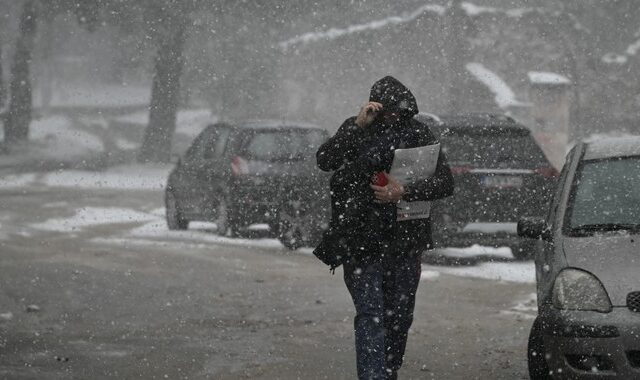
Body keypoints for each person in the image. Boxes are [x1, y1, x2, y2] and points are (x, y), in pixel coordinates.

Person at [315, 76, 454, 379]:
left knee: (399, 319)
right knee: (371, 316)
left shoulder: (418, 133)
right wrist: (356, 125)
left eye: (395, 111)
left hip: (405, 243)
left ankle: (387, 370)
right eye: (383, 110)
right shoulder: (357, 130)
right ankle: (374, 376)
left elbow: (445, 182)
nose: (390, 116)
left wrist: (403, 192)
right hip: (360, 240)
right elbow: (325, 159)